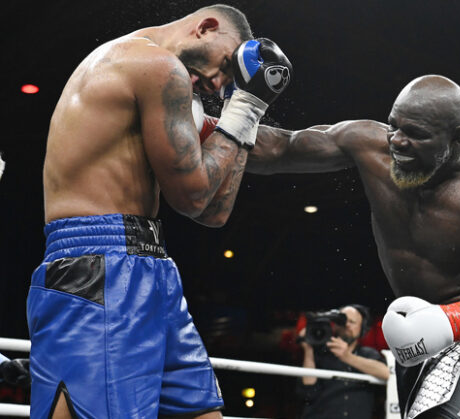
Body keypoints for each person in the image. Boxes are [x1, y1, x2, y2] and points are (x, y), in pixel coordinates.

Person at [247, 75, 460, 418]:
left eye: (416, 134)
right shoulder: (369, 145)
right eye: (393, 126)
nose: (397, 141)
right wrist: (212, 122)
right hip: (416, 343)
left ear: (456, 137)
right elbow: (282, 148)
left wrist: (452, 321)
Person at [28, 4, 291, 418]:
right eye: (227, 66)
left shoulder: (155, 72)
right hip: (100, 269)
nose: (219, 84)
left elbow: (213, 213)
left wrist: (247, 108)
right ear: (206, 27)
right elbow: (192, 198)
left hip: (149, 269)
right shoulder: (153, 66)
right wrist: (246, 106)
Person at [297, 305, 389, 419]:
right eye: (342, 320)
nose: (347, 325)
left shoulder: (368, 354)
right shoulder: (320, 352)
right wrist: (309, 349)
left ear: (362, 328)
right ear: (335, 325)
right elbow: (308, 393)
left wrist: (347, 357)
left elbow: (387, 373)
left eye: (352, 322)